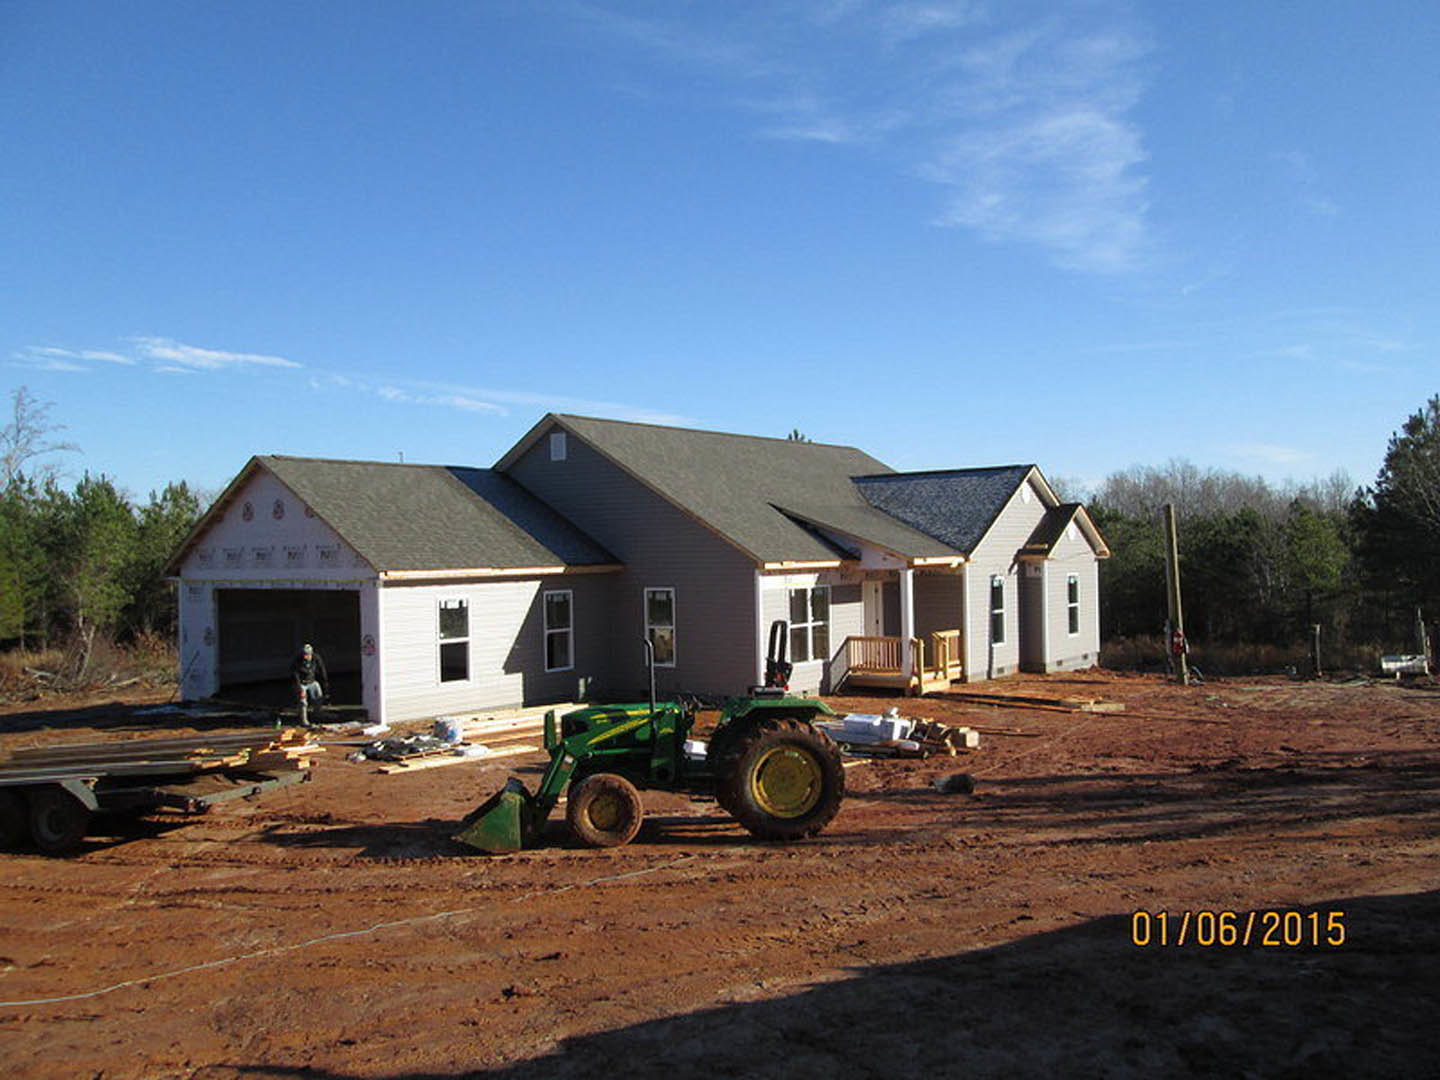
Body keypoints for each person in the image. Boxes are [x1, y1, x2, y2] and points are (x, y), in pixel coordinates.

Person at [292, 643, 329, 723]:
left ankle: (317, 714)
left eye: (308, 655)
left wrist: (325, 683)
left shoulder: (316, 658)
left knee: (318, 695)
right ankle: (304, 719)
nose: (306, 657)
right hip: (302, 682)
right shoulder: (297, 661)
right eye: (305, 655)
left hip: (312, 681)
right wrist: (300, 689)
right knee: (303, 702)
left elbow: (322, 670)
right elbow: (295, 676)